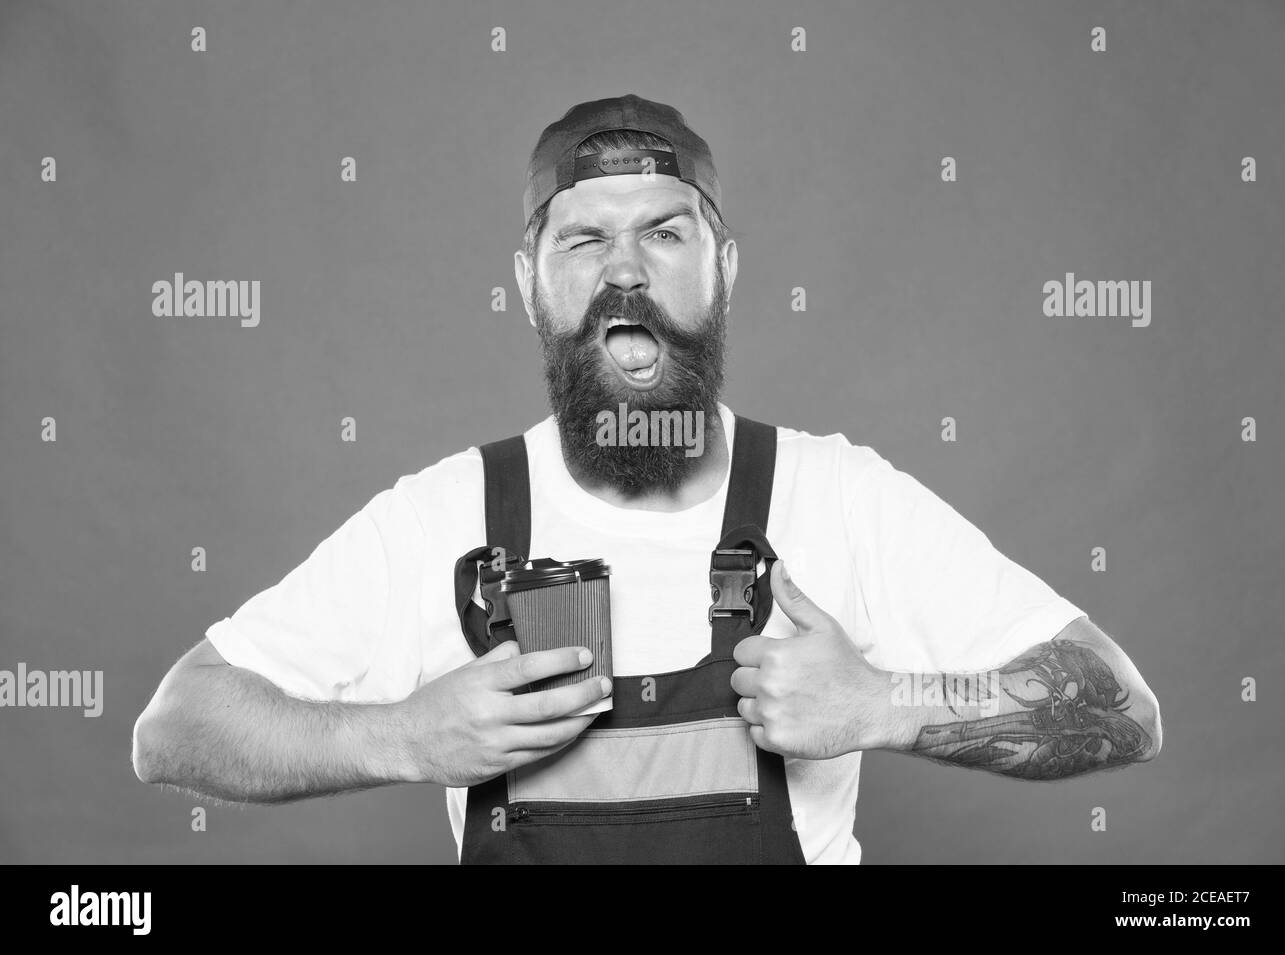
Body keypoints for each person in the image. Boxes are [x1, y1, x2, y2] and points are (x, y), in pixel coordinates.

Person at [132, 94, 1163, 865]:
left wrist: (882, 703)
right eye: (584, 238)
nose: (625, 270)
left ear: (723, 267)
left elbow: (1121, 705)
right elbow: (176, 726)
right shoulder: (438, 517)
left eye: (664, 233)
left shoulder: (840, 497)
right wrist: (400, 735)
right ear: (529, 285)